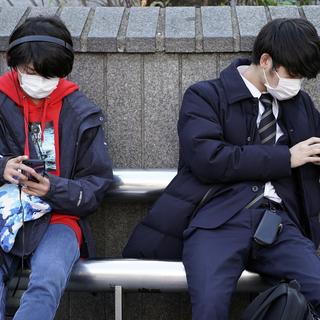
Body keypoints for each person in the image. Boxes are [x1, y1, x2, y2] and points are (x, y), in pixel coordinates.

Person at [123, 18, 320, 319]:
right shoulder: (206, 96)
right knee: (210, 307)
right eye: (293, 74)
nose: (297, 84)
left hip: (280, 223)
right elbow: (208, 159)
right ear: (266, 61)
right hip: (218, 220)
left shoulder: (299, 103)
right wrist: (285, 158)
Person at [0, 16, 113, 320]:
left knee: (47, 280)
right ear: (14, 63)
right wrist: (3, 167)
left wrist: (53, 188)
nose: (37, 81)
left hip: (59, 217)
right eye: (30, 72)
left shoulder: (81, 112)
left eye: (48, 75)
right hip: (4, 213)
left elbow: (96, 185)